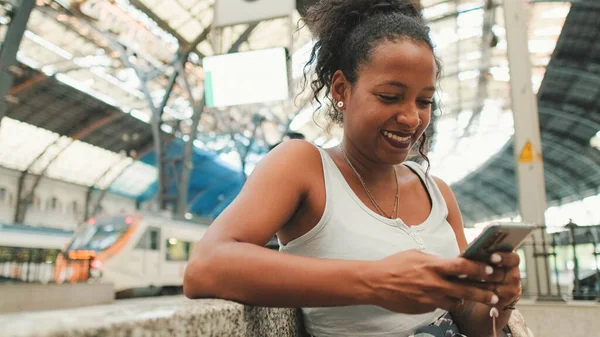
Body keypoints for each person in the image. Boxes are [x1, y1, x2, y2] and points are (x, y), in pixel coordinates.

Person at [184, 1, 522, 336]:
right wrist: (378, 281)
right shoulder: (303, 165)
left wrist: (497, 300)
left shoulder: (438, 192)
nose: (411, 118)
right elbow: (206, 267)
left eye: (424, 101)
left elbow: (472, 323)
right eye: (390, 96)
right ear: (341, 89)